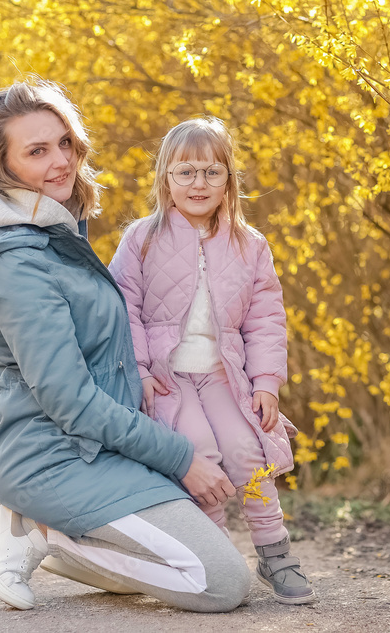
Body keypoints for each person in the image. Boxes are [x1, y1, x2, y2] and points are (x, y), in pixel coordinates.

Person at [0, 80, 251, 612]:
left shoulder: (54, 234)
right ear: (3, 166)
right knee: (220, 583)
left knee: (179, 565)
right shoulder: (18, 264)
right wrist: (180, 457)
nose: (61, 161)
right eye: (36, 151)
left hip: (100, 449)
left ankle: (53, 537)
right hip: (50, 458)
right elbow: (70, 400)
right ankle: (38, 531)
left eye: (64, 142)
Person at [108, 116, 315, 605]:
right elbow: (123, 309)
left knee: (248, 453)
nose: (198, 183)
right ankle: (215, 556)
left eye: (211, 172)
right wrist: (137, 371)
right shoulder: (142, 238)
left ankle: (274, 551)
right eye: (185, 172)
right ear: (166, 179)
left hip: (226, 375)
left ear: (229, 180)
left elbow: (266, 318)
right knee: (198, 451)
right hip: (167, 378)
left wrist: (266, 381)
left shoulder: (250, 245)